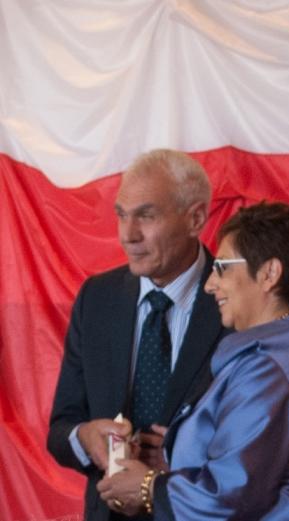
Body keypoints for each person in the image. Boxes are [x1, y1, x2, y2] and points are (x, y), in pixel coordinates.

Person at [97, 201, 289, 520]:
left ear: (269, 273)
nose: (210, 284)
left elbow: (228, 497)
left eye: (222, 267)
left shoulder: (269, 369)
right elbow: (269, 463)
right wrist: (183, 448)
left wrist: (147, 487)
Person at [47, 149, 228, 521]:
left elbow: (269, 441)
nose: (128, 235)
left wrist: (183, 457)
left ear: (195, 218)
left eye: (146, 215)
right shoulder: (97, 298)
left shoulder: (240, 298)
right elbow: (61, 429)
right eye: (121, 215)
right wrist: (86, 439)